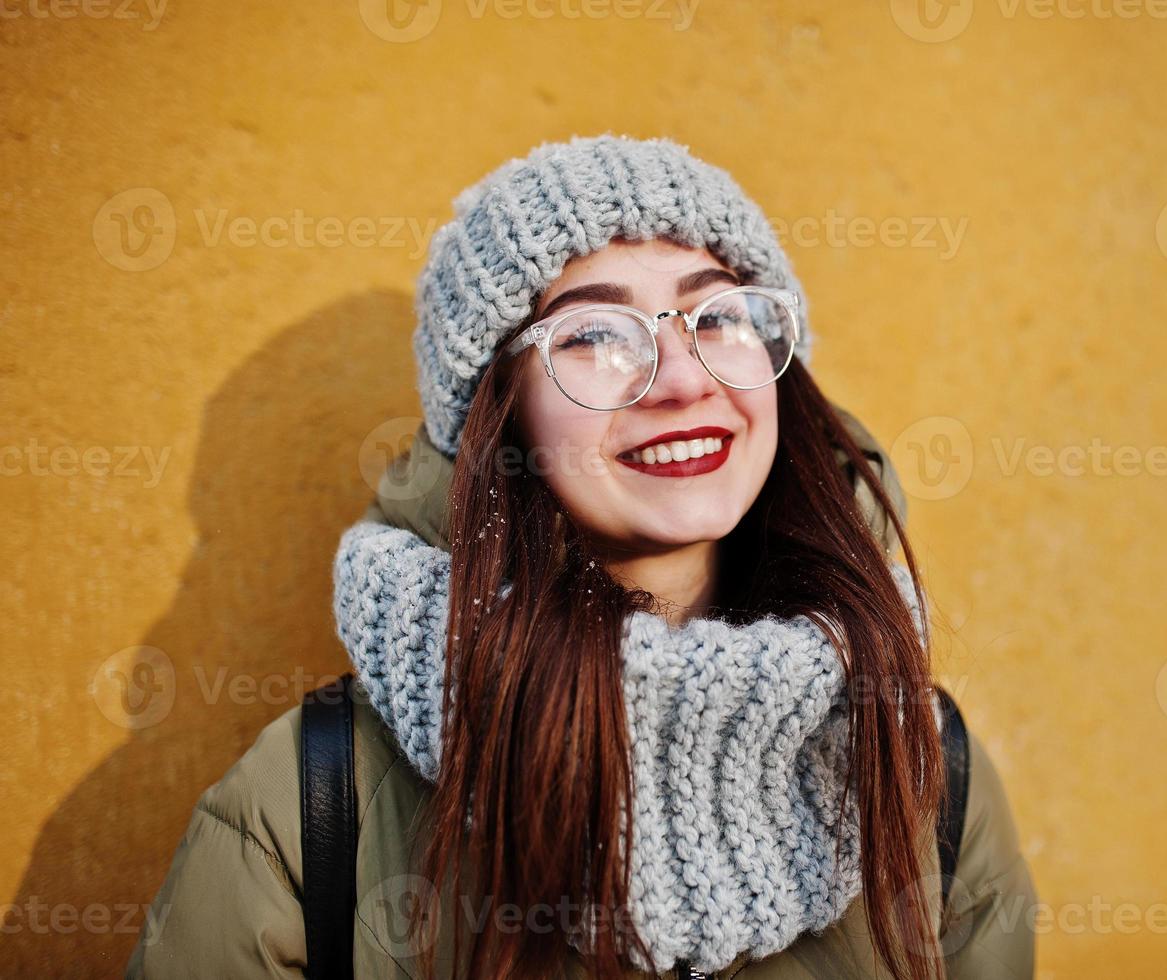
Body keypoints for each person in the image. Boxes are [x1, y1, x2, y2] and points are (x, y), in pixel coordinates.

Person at [126, 134, 1036, 979]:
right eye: (595, 336)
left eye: (716, 315)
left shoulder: (919, 764)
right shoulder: (314, 799)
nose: (683, 381)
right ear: (499, 411)